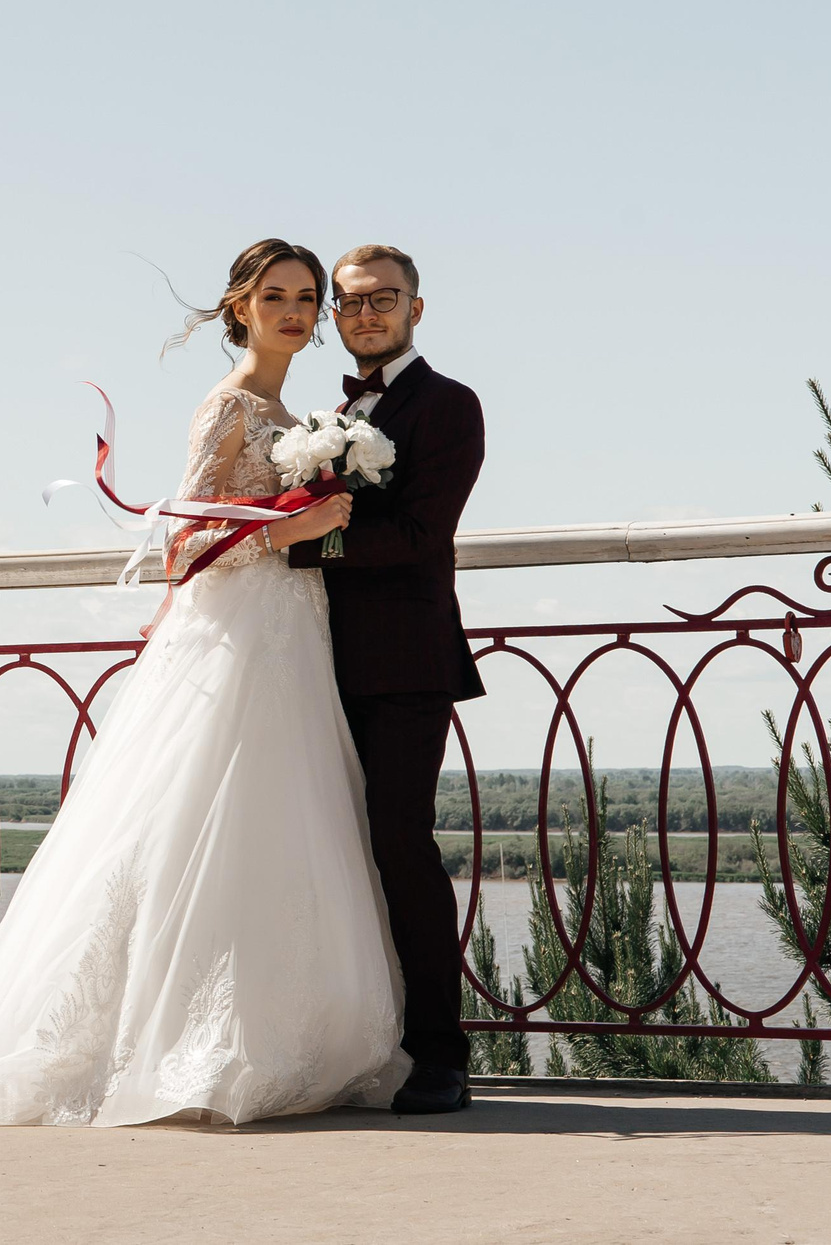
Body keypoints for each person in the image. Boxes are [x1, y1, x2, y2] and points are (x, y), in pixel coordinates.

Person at [0, 239, 409, 1128]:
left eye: (307, 298)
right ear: (239, 308)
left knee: (278, 827)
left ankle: (283, 1034)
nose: (296, 312)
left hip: (293, 640)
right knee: (200, 826)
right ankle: (178, 1041)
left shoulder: (292, 411)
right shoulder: (228, 408)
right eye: (277, 296)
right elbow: (180, 548)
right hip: (234, 646)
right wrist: (289, 531)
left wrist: (308, 519)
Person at [292, 243, 485, 1115]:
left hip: (405, 665)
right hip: (311, 659)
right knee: (326, 849)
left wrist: (304, 547)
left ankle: (440, 1051)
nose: (366, 313)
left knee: (400, 848)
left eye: (384, 298)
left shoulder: (448, 405)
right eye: (351, 302)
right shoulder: (325, 414)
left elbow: (418, 537)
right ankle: (347, 1038)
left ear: (417, 306)